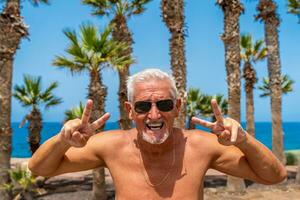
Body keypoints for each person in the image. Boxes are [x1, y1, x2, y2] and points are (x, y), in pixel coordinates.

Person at [28, 68, 287, 199]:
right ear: (130, 110)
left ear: (176, 107)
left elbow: (275, 176)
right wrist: (62, 141)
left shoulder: (200, 146)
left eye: (163, 105)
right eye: (143, 106)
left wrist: (243, 140)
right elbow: (40, 168)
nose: (154, 115)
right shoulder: (111, 145)